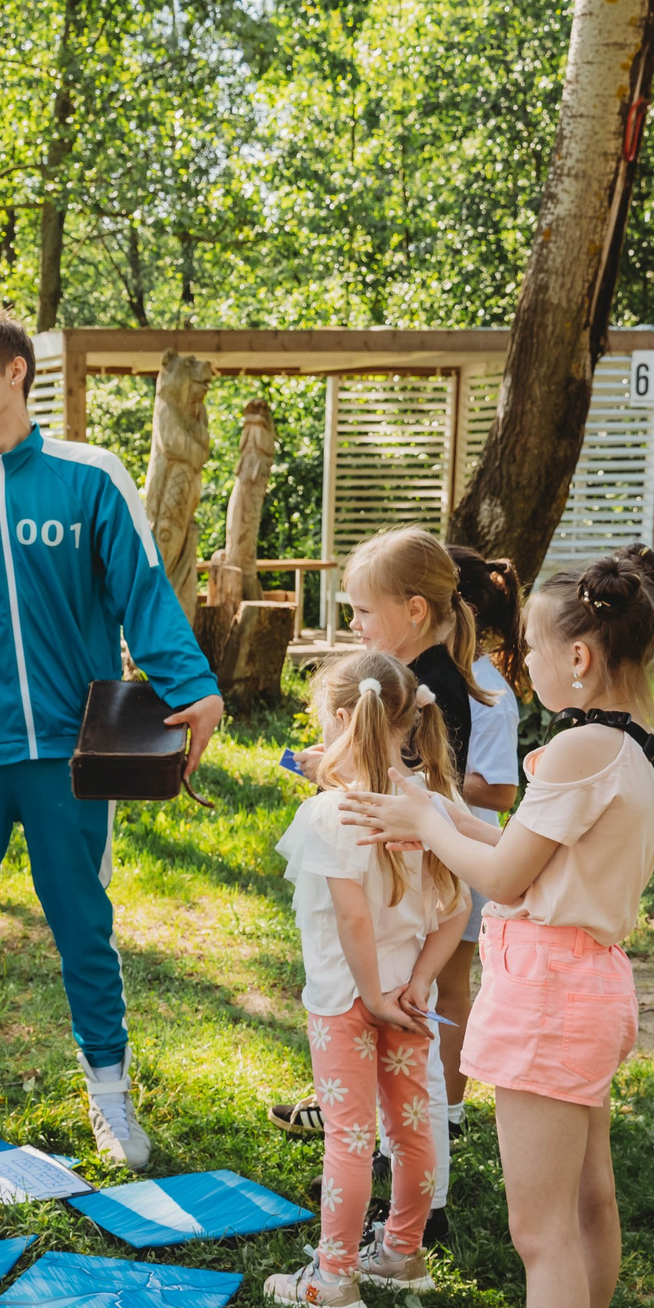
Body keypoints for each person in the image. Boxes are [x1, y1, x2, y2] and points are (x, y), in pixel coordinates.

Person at [340, 546, 654, 1308]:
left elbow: (499, 877)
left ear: (582, 656)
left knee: (542, 1232)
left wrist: (422, 820)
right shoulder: (629, 748)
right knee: (586, 1204)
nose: (520, 663)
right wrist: (434, 809)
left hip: (553, 1000)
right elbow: (526, 846)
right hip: (591, 985)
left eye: (529, 645)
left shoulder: (576, 746)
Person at [0, 307, 225, 1168]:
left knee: (82, 925)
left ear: (18, 372)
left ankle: (109, 1094)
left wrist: (196, 687)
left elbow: (143, 590)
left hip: (73, 752)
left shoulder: (89, 475)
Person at [272, 526, 510, 1244]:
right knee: (410, 1089)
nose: (354, 626)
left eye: (361, 613)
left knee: (413, 1087)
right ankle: (407, 1218)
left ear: (412, 610)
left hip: (407, 913)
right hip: (422, 913)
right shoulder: (419, 683)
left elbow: (420, 797)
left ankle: (393, 1224)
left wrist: (336, 775)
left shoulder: (433, 690)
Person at [264, 652, 466, 1308]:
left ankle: (335, 1278)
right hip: (412, 998)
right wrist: (415, 983)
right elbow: (459, 908)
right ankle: (403, 1253)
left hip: (348, 1002)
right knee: (411, 1129)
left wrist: (375, 992)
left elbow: (351, 914)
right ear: (409, 718)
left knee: (348, 1137)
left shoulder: (329, 814)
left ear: (344, 717)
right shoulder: (431, 805)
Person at [438, 545, 527, 1133]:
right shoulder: (429, 673)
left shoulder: (489, 692)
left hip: (465, 857)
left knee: (448, 986)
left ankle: (445, 1109)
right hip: (421, 849)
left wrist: (426, 776)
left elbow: (500, 793)